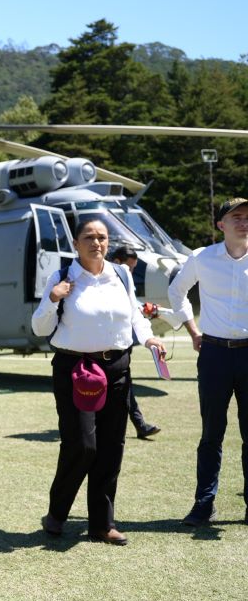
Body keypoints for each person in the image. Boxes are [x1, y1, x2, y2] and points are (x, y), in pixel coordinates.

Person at [32, 220, 167, 545]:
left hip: (117, 367)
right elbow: (39, 328)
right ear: (76, 243)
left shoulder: (120, 274)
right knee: (82, 445)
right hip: (75, 368)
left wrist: (148, 339)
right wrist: (52, 299)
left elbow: (134, 313)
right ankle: (57, 514)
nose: (96, 242)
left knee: (111, 447)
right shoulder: (63, 276)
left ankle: (101, 525)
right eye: (89, 237)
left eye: (102, 237)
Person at [168, 196, 248, 527]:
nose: (244, 222)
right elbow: (177, 291)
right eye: (237, 217)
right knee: (211, 433)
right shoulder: (202, 258)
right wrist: (192, 330)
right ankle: (204, 504)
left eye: (247, 217)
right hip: (213, 354)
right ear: (221, 225)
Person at [108, 245, 161, 440]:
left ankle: (139, 425)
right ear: (117, 262)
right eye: (129, 268)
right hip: (105, 346)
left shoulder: (124, 279)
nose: (130, 272)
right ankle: (139, 425)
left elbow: (132, 304)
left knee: (125, 386)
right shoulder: (105, 278)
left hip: (121, 345)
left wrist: (146, 309)